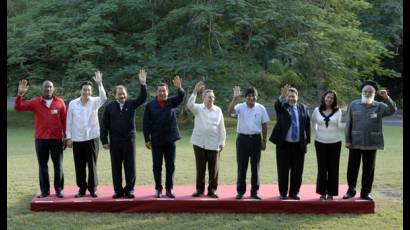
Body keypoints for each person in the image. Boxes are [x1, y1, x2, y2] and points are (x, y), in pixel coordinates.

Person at [343, 80, 397, 201]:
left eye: (370, 91)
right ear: (361, 92)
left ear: (374, 93)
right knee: (352, 168)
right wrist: (348, 140)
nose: (367, 93)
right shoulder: (354, 104)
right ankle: (351, 190)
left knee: (369, 169)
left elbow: (393, 110)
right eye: (365, 91)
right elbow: (348, 123)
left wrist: (387, 97)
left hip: (372, 142)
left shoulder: (380, 106)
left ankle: (365, 193)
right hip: (355, 142)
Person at [14, 79, 67, 198]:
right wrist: (20, 95)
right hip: (41, 139)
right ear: (42, 89)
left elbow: (65, 121)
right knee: (42, 165)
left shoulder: (60, 102)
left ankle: (59, 189)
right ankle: (44, 190)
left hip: (56, 139)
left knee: (58, 165)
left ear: (53, 89)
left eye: (50, 87)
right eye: (45, 87)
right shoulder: (35, 102)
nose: (48, 89)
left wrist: (66, 137)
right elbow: (18, 107)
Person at [100, 68, 147, 199]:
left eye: (123, 94)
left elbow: (142, 98)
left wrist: (143, 84)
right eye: (119, 94)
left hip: (129, 140)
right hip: (114, 142)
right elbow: (104, 125)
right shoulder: (109, 107)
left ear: (126, 94)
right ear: (115, 95)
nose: (121, 96)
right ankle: (118, 191)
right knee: (116, 167)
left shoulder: (131, 104)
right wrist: (104, 140)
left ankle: (130, 190)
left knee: (130, 166)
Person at [66, 70, 107, 198]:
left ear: (91, 91)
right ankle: (82, 188)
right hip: (77, 139)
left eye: (89, 90)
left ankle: (93, 188)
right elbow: (69, 121)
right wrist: (69, 138)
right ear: (81, 90)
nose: (87, 92)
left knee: (92, 164)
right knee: (79, 165)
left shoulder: (95, 101)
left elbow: (104, 98)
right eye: (85, 90)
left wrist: (100, 84)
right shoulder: (73, 103)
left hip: (92, 138)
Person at [143, 75, 185, 198]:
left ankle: (169, 189)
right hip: (156, 141)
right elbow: (146, 124)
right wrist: (147, 139)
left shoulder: (172, 102)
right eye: (160, 91)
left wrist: (179, 88)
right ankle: (158, 189)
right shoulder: (150, 105)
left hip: (170, 140)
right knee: (157, 166)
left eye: (164, 90)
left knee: (170, 165)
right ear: (156, 92)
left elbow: (181, 97)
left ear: (167, 92)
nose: (162, 93)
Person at [269, 84, 311, 200]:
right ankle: (283, 193)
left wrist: (306, 142)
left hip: (299, 145)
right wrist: (282, 96)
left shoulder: (303, 108)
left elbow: (307, 125)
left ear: (297, 97)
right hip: (284, 145)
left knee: (297, 171)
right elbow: (277, 105)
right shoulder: (283, 107)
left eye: (293, 96)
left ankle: (294, 193)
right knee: (283, 170)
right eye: (289, 96)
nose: (291, 98)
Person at [228, 86, 269, 200]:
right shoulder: (240, 107)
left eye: (253, 95)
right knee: (242, 166)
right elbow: (230, 111)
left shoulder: (261, 108)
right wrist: (235, 98)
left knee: (255, 166)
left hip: (256, 139)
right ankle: (240, 191)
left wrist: (264, 141)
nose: (251, 98)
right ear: (245, 97)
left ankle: (255, 192)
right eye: (249, 96)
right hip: (242, 139)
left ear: (256, 97)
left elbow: (264, 125)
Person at [186, 81, 226, 198]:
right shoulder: (198, 108)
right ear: (204, 98)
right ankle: (199, 190)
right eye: (209, 97)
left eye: (213, 97)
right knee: (200, 168)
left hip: (214, 144)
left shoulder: (218, 110)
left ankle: (212, 190)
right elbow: (189, 104)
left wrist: (222, 142)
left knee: (214, 169)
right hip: (199, 143)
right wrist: (194, 91)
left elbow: (221, 128)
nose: (211, 99)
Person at [311, 90, 346, 200]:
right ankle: (322, 193)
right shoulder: (317, 110)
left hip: (335, 143)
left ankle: (331, 193)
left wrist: (344, 115)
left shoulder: (338, 111)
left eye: (331, 98)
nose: (329, 99)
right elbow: (313, 122)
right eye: (327, 97)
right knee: (322, 168)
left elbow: (341, 127)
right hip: (320, 143)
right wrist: (316, 132)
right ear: (324, 97)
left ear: (334, 100)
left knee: (333, 169)